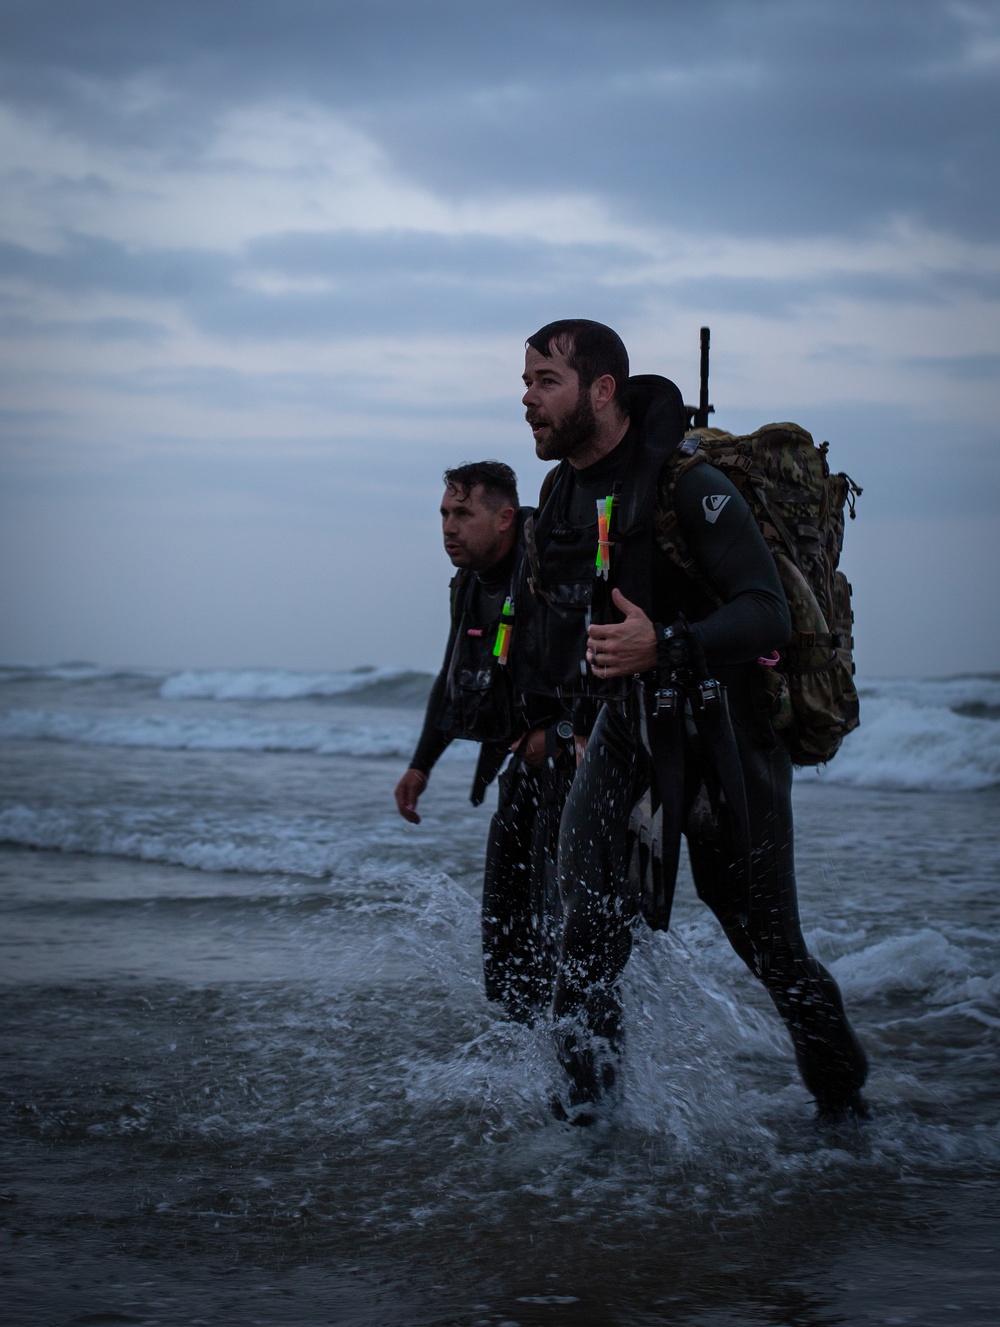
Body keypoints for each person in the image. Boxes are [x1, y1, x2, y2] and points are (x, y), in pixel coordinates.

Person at [515, 319, 869, 1123]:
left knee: (771, 950)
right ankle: (587, 1142)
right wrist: (565, 719)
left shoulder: (688, 484)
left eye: (545, 382)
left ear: (601, 390)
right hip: (623, 731)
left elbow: (767, 615)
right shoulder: (562, 493)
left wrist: (666, 642)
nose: (528, 401)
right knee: (587, 944)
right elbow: (565, 626)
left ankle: (847, 1117)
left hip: (724, 736)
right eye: (526, 383)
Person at [394, 462, 575, 1022]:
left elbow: (604, 665)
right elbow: (454, 673)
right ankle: (522, 1060)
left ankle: (578, 1067)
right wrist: (422, 766)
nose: (448, 526)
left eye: (462, 514)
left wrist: (564, 730)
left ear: (503, 518)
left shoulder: (551, 565)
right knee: (501, 926)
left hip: (581, 766)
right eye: (445, 514)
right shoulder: (471, 583)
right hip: (523, 763)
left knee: (558, 928)